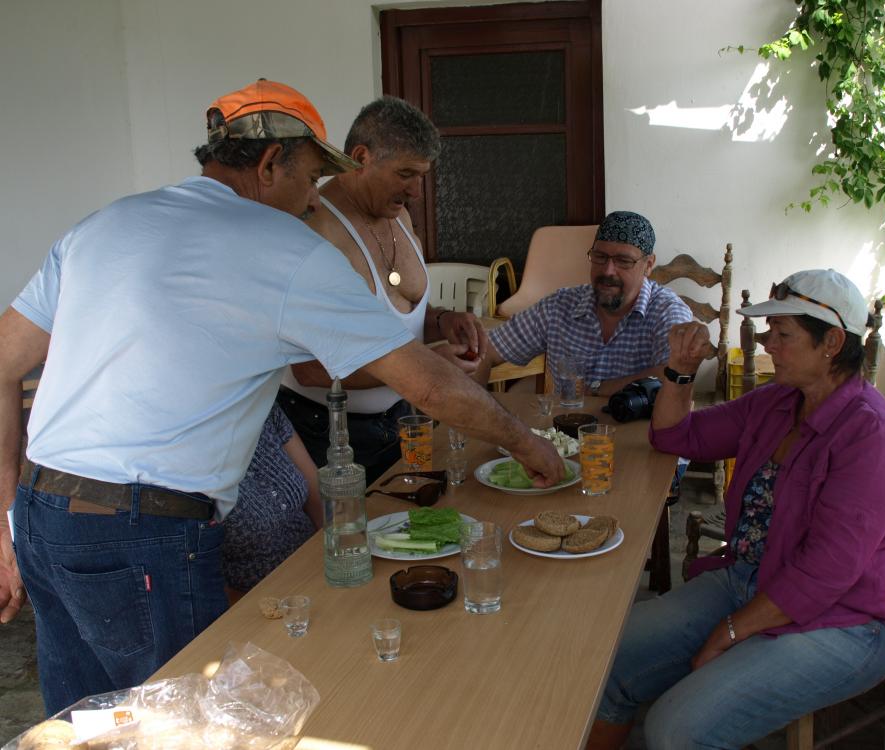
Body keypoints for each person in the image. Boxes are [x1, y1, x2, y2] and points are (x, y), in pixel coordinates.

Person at [0, 79, 562, 715]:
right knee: (179, 722)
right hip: (143, 532)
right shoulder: (286, 246)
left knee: (81, 725)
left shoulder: (105, 224)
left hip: (41, 518)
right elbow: (428, 385)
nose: (314, 197)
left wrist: (4, 521)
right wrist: (526, 443)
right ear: (271, 164)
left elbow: (3, 362)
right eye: (311, 176)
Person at [586, 269, 885, 750]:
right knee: (603, 659)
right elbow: (676, 437)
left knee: (676, 729)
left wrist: (728, 632)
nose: (768, 345)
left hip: (847, 620)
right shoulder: (779, 402)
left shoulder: (871, 435)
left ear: (831, 343)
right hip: (752, 581)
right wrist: (680, 370)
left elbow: (825, 572)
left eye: (782, 334)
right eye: (769, 332)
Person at [279, 96, 486, 483]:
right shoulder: (314, 228)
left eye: (422, 175)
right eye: (406, 174)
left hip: (401, 419)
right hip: (327, 431)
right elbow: (308, 368)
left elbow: (396, 318)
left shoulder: (400, 217)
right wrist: (425, 366)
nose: (417, 191)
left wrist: (442, 320)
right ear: (361, 157)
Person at [479, 211, 692, 397]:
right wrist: (476, 413)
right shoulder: (560, 306)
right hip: (568, 430)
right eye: (600, 257)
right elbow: (486, 351)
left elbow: (675, 375)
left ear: (648, 265)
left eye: (623, 261)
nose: (608, 271)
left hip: (639, 430)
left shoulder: (667, 311)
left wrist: (599, 388)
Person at [222, 403, 322, 599]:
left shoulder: (261, 406)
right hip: (260, 603)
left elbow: (319, 499)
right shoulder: (181, 459)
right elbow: (201, 584)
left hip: (316, 570)